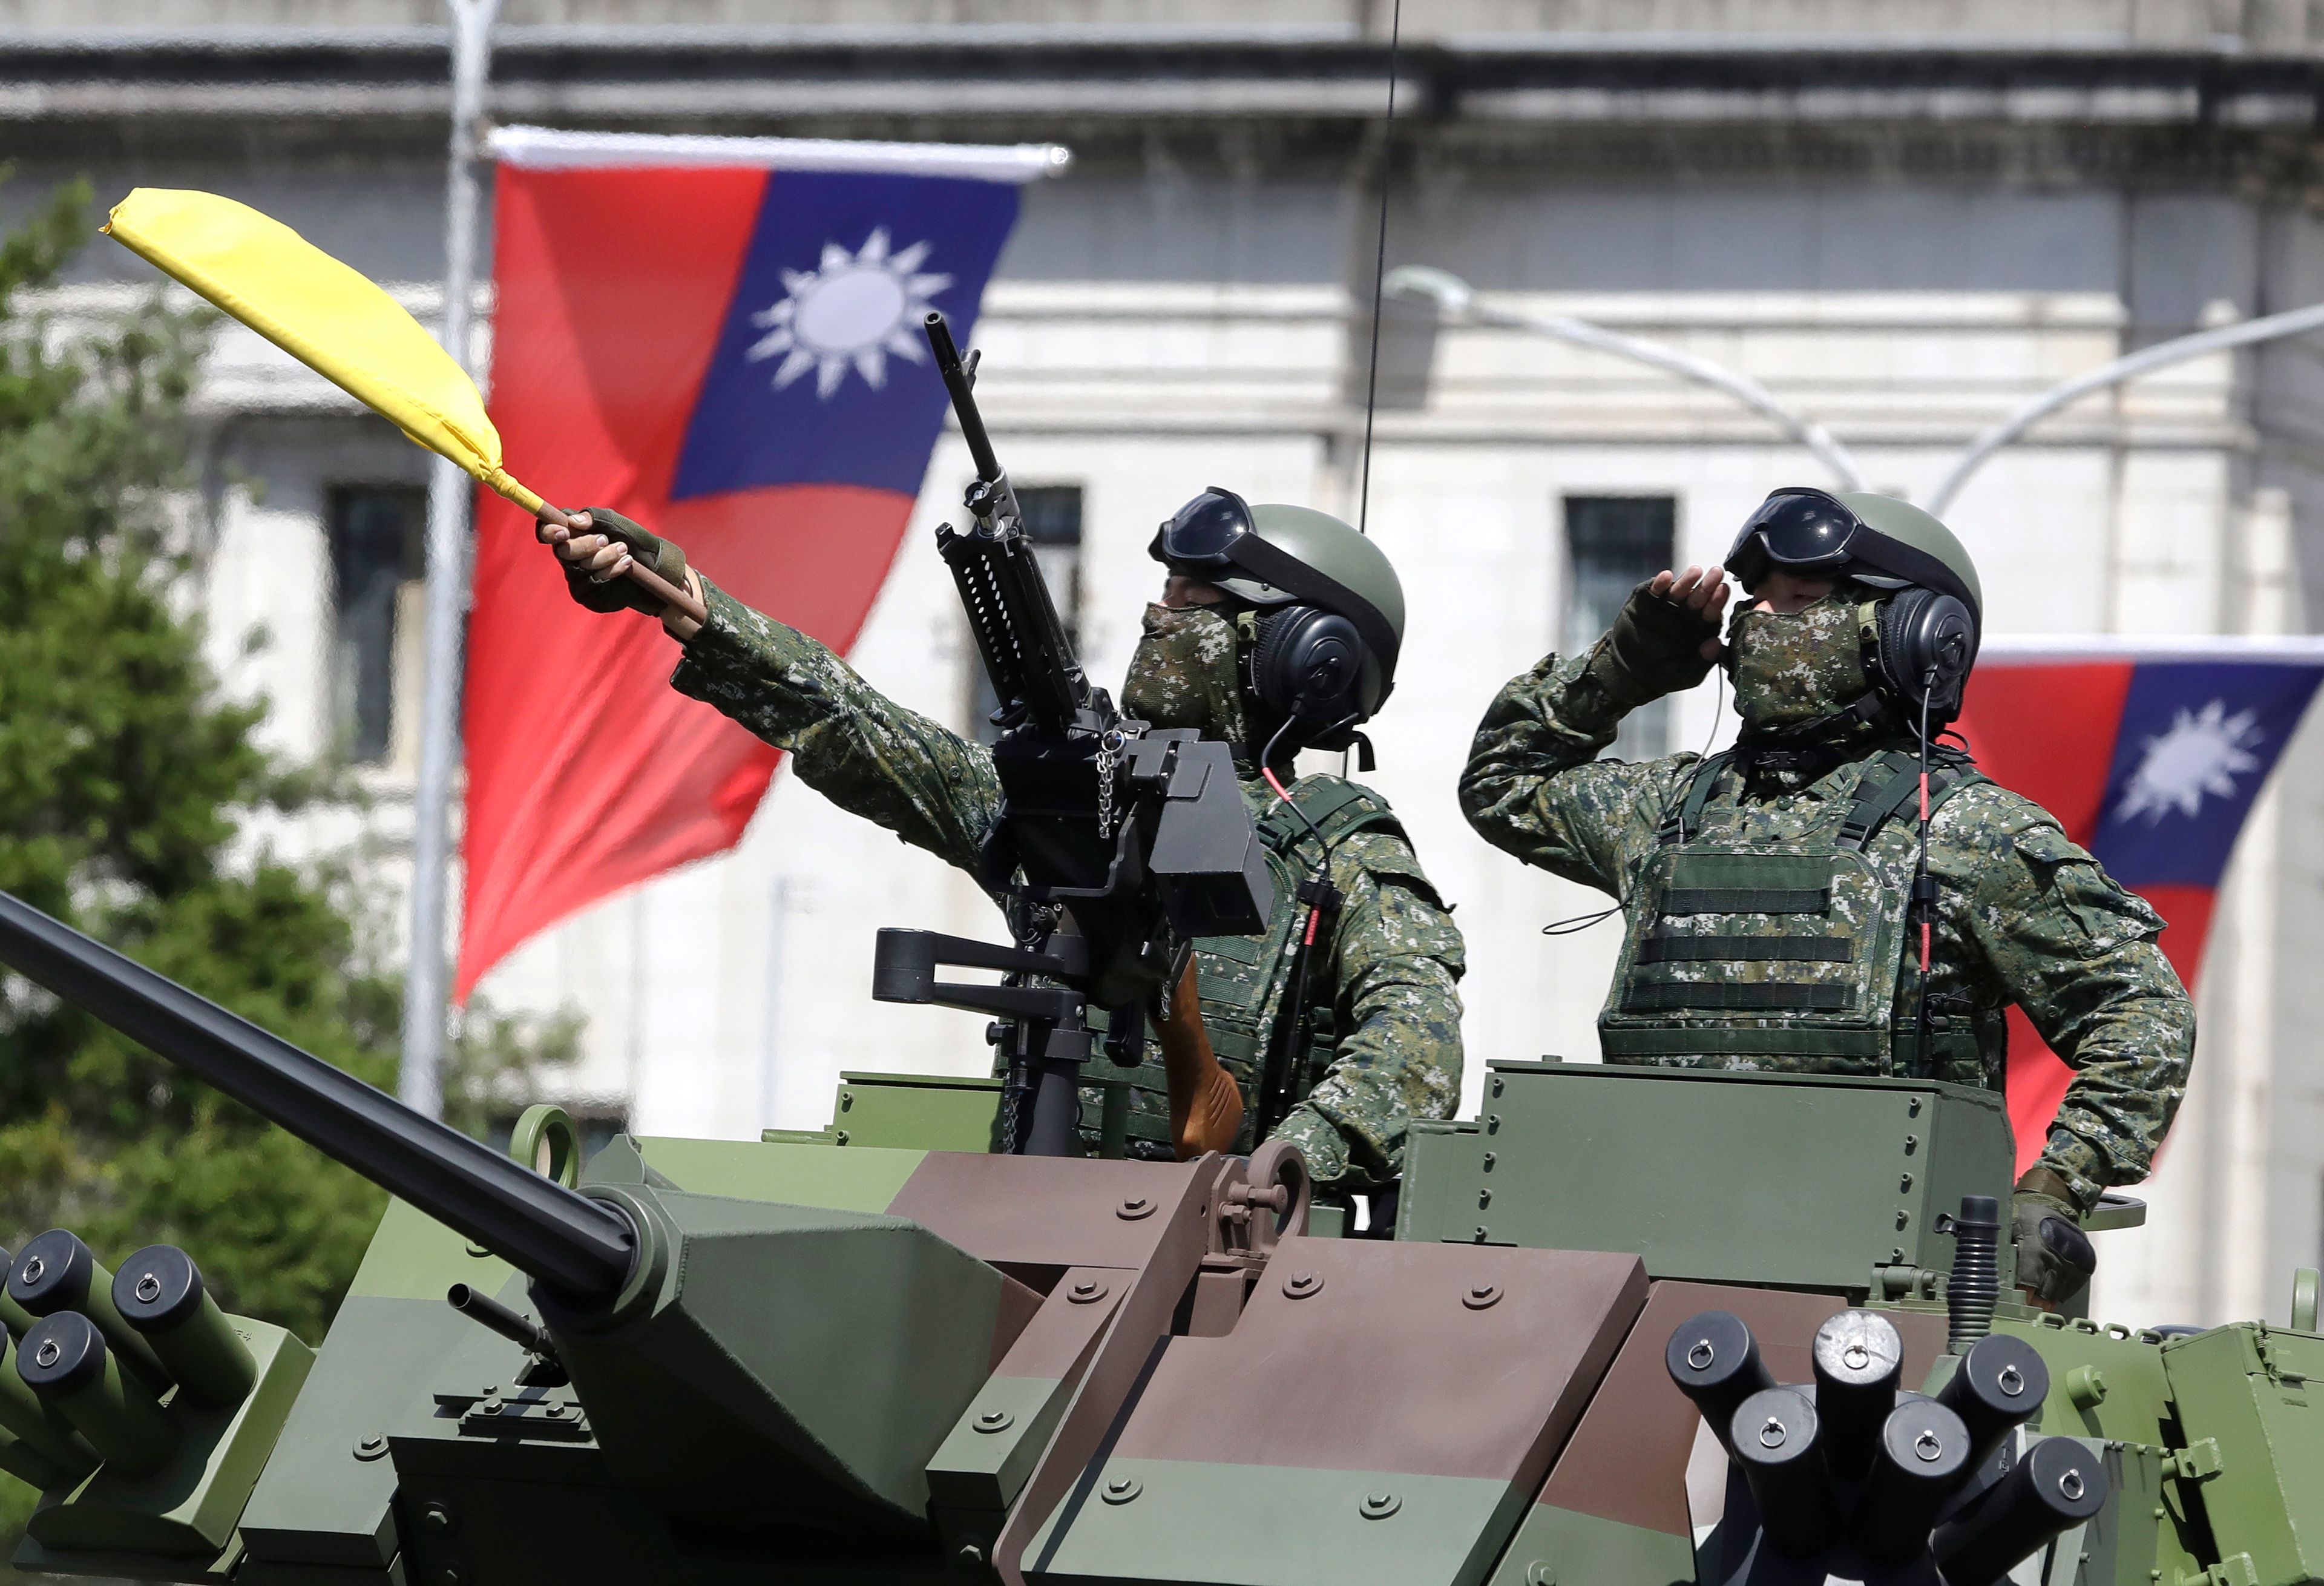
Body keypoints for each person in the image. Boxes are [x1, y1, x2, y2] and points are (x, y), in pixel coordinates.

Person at [540, 488, 1464, 1209]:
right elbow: (856, 726)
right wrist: (684, 601)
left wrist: (1281, 1169)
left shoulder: (1339, 847)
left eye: (1194, 597)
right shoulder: (1083, 795)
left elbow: (1414, 1048)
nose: (1158, 612)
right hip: (1021, 1220)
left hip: (1215, 1265)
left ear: (1301, 651)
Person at [1459, 487, 2194, 1305]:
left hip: (1874, 1298)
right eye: (1758, 598)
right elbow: (1502, 782)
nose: (1762, 620)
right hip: (1635, 1267)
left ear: (1916, 636)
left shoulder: (1966, 832)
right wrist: (1621, 671)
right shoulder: (1665, 812)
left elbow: (2142, 1014)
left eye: (1802, 599)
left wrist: (2060, 1184)